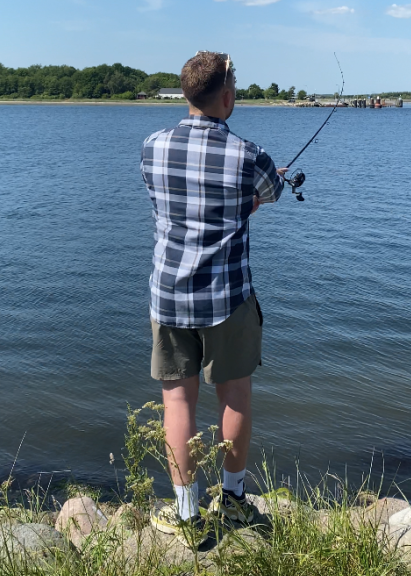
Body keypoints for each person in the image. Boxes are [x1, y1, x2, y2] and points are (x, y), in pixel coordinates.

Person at [140, 51, 287, 546]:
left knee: (177, 402)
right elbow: (271, 192)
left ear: (187, 94)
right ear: (226, 97)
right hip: (228, 298)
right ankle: (234, 502)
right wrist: (250, 198)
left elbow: (172, 203)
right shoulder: (251, 154)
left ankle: (185, 513)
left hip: (169, 295)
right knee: (235, 396)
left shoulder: (152, 146)